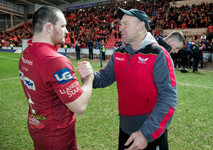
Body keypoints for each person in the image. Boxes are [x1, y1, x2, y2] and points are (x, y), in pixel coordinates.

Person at [79, 8, 177, 150]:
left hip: (149, 134)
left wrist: (145, 134)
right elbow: (104, 78)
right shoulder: (119, 52)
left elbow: (169, 98)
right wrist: (89, 75)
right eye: (120, 24)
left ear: (141, 26)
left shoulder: (158, 54)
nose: (120, 28)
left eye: (125, 24)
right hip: (125, 129)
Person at [18, 6, 94, 150]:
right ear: (49, 27)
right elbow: (79, 105)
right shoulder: (54, 60)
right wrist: (89, 78)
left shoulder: (26, 53)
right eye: (63, 26)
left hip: (38, 126)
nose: (66, 31)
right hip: (57, 134)